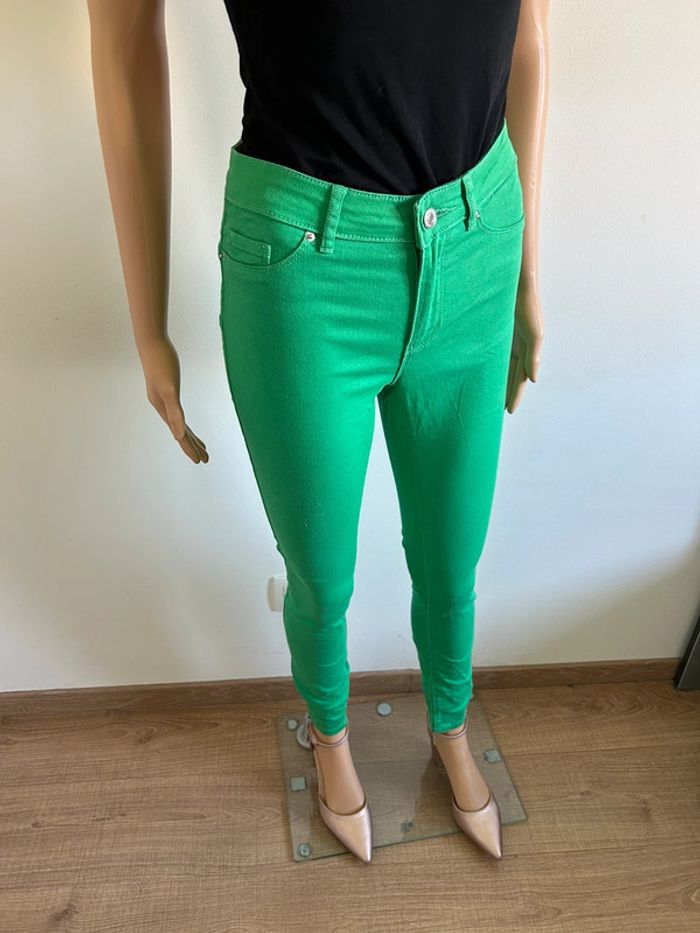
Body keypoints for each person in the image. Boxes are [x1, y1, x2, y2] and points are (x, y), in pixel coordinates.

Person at [86, 0, 549, 864]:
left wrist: (524, 272)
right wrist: (148, 327)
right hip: (303, 269)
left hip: (481, 235)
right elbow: (123, 43)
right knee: (320, 570)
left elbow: (527, 30)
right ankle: (329, 734)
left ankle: (451, 725)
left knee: (454, 553)